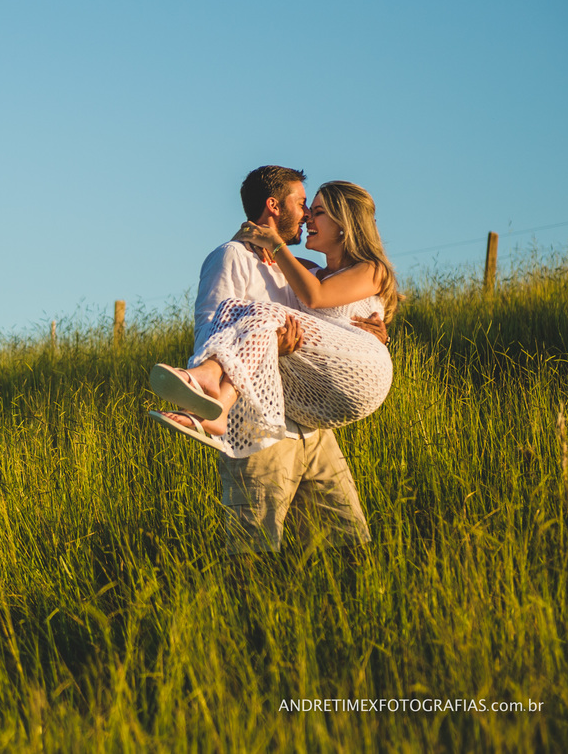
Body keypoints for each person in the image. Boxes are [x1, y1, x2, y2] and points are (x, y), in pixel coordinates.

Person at [149, 166, 389, 553]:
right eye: (302, 203)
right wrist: (267, 349)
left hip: (310, 421)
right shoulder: (232, 256)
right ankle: (210, 399)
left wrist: (367, 333)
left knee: (347, 544)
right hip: (259, 422)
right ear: (275, 206)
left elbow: (328, 305)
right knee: (254, 545)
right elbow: (213, 326)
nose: (308, 213)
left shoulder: (297, 269)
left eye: (316, 209)